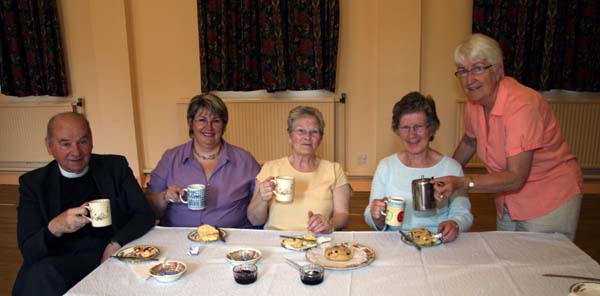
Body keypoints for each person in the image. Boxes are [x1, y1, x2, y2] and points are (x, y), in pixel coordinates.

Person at [433, 33, 583, 241]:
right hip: (507, 199)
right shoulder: (474, 102)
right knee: (508, 259)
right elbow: (470, 140)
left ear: (498, 70)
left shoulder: (522, 105)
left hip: (548, 197)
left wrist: (461, 182)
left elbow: (516, 177)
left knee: (541, 267)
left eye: (478, 68)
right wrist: (442, 172)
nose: (469, 79)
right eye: (463, 71)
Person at [13, 112, 155, 296]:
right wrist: (55, 227)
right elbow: (29, 249)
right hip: (59, 257)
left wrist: (115, 243)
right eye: (65, 144)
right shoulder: (33, 184)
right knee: (41, 275)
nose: (76, 152)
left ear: (91, 140)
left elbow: (144, 214)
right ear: (49, 146)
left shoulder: (115, 167)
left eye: (82, 141)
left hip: (106, 250)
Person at [363, 92, 473, 242]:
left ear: (432, 129)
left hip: (439, 241)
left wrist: (455, 223)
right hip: (397, 242)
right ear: (397, 130)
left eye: (419, 127)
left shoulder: (451, 168)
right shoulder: (386, 166)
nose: (412, 135)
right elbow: (371, 215)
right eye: (405, 128)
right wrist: (377, 217)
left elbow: (463, 213)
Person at [146, 93, 259, 227]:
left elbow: (260, 208)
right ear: (190, 122)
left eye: (216, 121)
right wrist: (165, 197)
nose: (209, 127)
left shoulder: (245, 160)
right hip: (180, 240)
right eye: (202, 120)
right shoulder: (171, 158)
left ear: (223, 125)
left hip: (230, 240)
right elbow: (149, 207)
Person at [247, 106, 351, 233]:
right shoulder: (270, 168)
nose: (307, 137)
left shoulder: (334, 170)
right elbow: (254, 220)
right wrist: (261, 198)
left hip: (316, 240)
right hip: (276, 242)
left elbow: (343, 215)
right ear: (290, 137)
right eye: (301, 131)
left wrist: (329, 223)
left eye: (314, 132)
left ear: (320, 139)